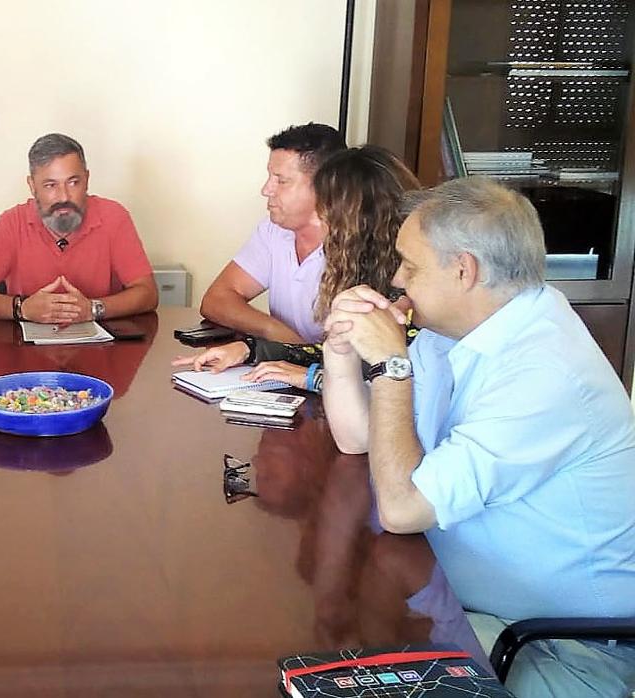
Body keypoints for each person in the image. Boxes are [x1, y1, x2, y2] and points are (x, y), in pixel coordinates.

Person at [324, 176, 635, 698]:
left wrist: (391, 365)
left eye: (410, 265)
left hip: (566, 650)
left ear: (464, 270)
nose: (397, 280)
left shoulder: (545, 370)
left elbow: (404, 508)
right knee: (333, 649)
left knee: (345, 664)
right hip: (467, 609)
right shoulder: (462, 332)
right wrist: (339, 355)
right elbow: (360, 439)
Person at [175, 145, 419, 390]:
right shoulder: (364, 263)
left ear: (363, 220)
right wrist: (250, 350)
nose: (317, 220)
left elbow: (391, 371)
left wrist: (312, 378)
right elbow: (338, 352)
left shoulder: (410, 293)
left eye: (324, 209)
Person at [0, 133, 158, 323]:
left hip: (101, 348)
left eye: (73, 183)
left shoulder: (114, 217)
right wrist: (21, 308)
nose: (63, 197)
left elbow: (148, 293)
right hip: (26, 352)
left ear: (86, 180)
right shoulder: (12, 222)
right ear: (32, 186)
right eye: (51, 185)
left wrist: (93, 309)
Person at [199, 123, 346, 343]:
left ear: (325, 185)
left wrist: (295, 353)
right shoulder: (274, 230)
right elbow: (216, 299)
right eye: (270, 177)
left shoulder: (358, 242)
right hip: (281, 368)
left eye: (281, 181)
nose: (266, 190)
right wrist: (275, 332)